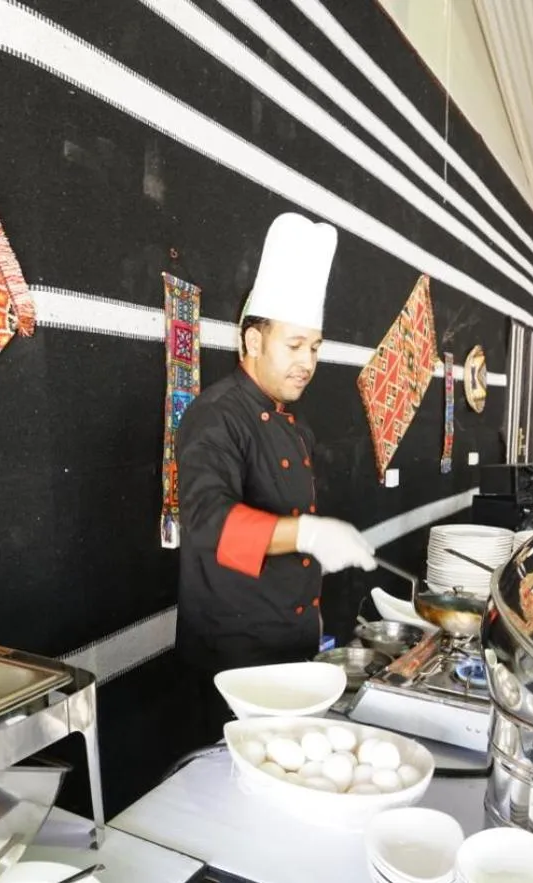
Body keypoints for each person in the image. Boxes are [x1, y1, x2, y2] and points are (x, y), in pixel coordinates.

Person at [175, 212, 376, 748]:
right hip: (235, 665)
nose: (308, 362)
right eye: (295, 345)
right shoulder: (215, 416)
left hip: (292, 650)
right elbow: (206, 523)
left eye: (315, 347)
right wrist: (307, 534)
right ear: (253, 341)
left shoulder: (297, 427)